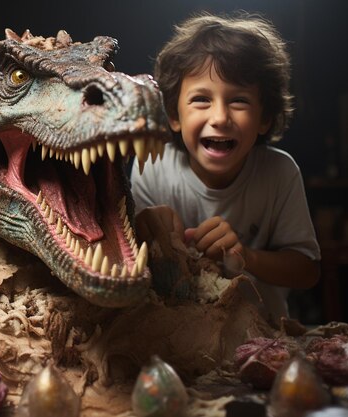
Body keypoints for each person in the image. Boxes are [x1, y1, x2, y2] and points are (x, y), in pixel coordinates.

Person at [131, 12, 320, 323]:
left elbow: (307, 271)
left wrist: (246, 256)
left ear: (265, 118)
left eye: (239, 101)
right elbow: (130, 262)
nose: (219, 117)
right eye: (201, 99)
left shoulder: (280, 174)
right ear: (173, 115)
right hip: (174, 335)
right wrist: (142, 228)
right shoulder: (152, 165)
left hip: (261, 336)